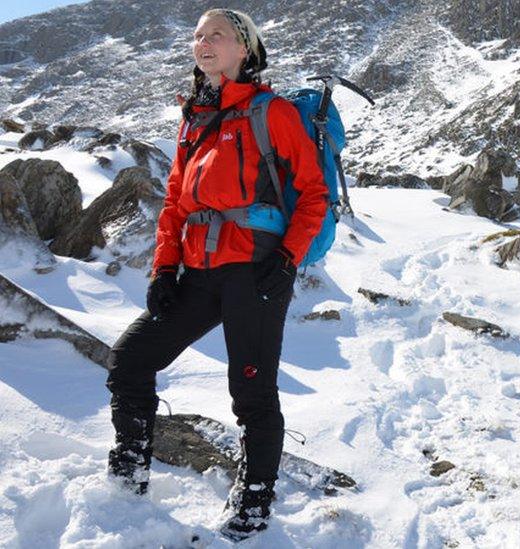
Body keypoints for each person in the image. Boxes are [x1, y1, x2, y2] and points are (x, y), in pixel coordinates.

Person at [104, 8, 327, 540]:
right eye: (198, 35)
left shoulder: (271, 113)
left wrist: (289, 258)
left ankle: (254, 502)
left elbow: (314, 194)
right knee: (130, 359)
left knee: (252, 393)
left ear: (244, 50)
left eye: (217, 35)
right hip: (199, 273)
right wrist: (163, 270)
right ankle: (130, 470)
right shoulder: (193, 120)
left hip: (256, 271)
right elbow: (176, 205)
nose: (203, 42)